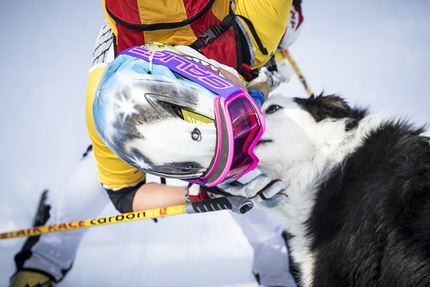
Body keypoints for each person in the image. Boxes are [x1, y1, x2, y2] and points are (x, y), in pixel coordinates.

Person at [10, 0, 304, 286]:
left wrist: (263, 75)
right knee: (100, 171)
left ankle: (274, 260)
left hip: (240, 44)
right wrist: (201, 196)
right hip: (228, 59)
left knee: (242, 172)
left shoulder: (261, 20)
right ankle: (48, 254)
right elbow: (124, 192)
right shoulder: (106, 104)